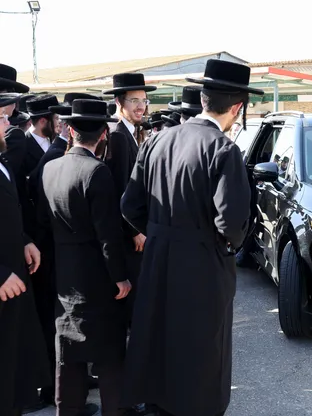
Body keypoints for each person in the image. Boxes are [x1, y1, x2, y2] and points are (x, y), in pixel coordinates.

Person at [120, 59, 262, 416]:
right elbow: (231, 223)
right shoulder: (223, 149)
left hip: (157, 259)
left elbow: (129, 206)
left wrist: (158, 231)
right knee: (200, 346)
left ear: (202, 99)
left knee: (158, 336)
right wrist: (221, 245)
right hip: (202, 263)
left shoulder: (156, 141)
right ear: (237, 108)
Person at [37, 99, 129, 416]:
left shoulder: (49, 168)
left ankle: (67, 411)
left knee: (68, 352)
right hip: (97, 277)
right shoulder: (97, 171)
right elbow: (108, 235)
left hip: (64, 273)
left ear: (71, 130)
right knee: (109, 354)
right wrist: (120, 277)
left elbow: (41, 222)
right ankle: (115, 410)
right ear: (103, 134)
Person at [0, 92, 52, 416]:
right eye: (1, 119)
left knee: (13, 378)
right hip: (4, 281)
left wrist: (23, 240)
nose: (7, 125)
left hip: (14, 280)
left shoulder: (1, 159)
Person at [102, 73, 156, 326]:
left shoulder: (130, 132)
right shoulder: (119, 136)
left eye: (144, 100)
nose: (140, 106)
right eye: (134, 100)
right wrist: (134, 231)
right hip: (128, 236)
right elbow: (120, 189)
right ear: (119, 102)